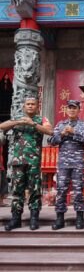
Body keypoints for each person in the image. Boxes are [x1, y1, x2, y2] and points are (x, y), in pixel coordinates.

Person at [0, 97, 53, 231]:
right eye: (28, 104)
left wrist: (32, 124)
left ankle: (34, 219)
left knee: (35, 190)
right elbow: (2, 126)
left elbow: (50, 131)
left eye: (32, 104)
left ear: (37, 106)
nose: (30, 106)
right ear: (24, 106)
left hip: (34, 161)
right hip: (18, 161)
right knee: (17, 190)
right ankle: (15, 219)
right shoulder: (18, 118)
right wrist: (18, 121)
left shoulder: (41, 119)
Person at [48, 100, 84, 230]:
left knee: (78, 191)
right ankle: (60, 219)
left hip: (78, 163)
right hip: (63, 164)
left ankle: (79, 218)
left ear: (79, 110)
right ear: (66, 110)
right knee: (61, 190)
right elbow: (51, 141)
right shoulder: (60, 125)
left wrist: (74, 132)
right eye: (70, 108)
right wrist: (61, 134)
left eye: (75, 108)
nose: (72, 110)